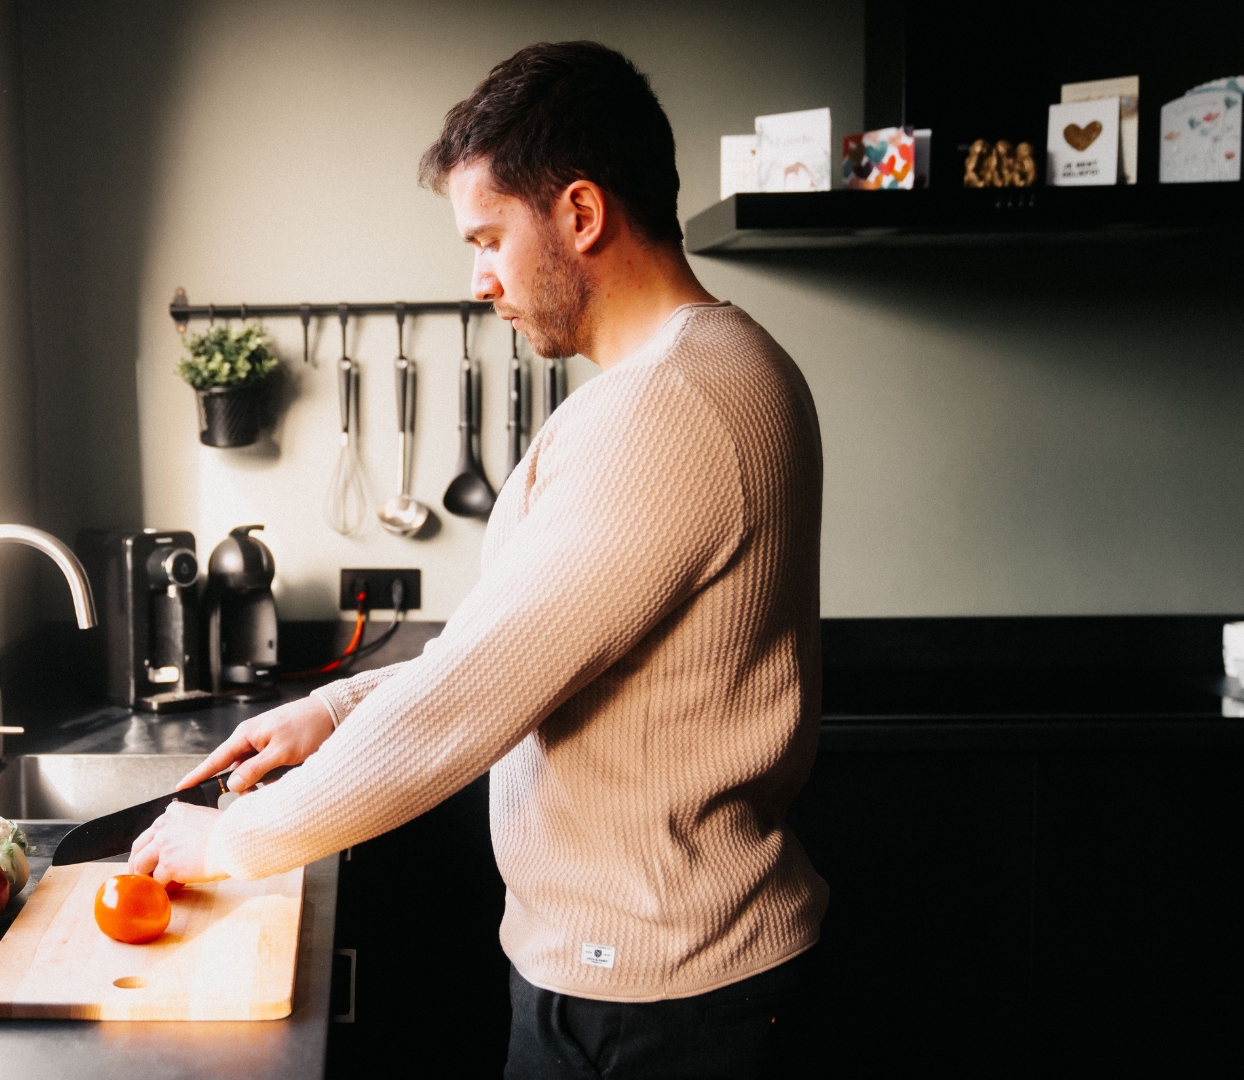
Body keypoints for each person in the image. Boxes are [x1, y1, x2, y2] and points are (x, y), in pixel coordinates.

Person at [130, 40, 827, 1079]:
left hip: (655, 1000)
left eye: (491, 236)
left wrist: (236, 842)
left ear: (582, 215)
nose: (480, 279)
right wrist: (332, 711)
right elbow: (523, 648)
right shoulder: (717, 370)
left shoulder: (667, 411)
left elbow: (469, 704)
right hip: (658, 976)